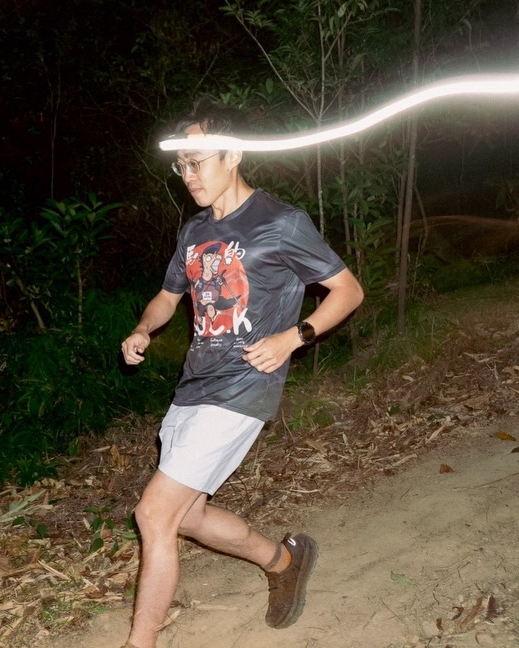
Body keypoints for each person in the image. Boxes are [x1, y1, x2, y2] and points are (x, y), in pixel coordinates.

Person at [118, 103, 364, 648]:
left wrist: (294, 337)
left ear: (233, 154)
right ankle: (283, 562)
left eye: (197, 162)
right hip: (194, 387)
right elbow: (167, 297)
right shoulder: (194, 231)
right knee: (188, 517)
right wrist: (142, 329)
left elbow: (348, 291)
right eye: (181, 165)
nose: (188, 175)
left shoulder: (281, 222)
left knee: (153, 515)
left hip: (243, 387)